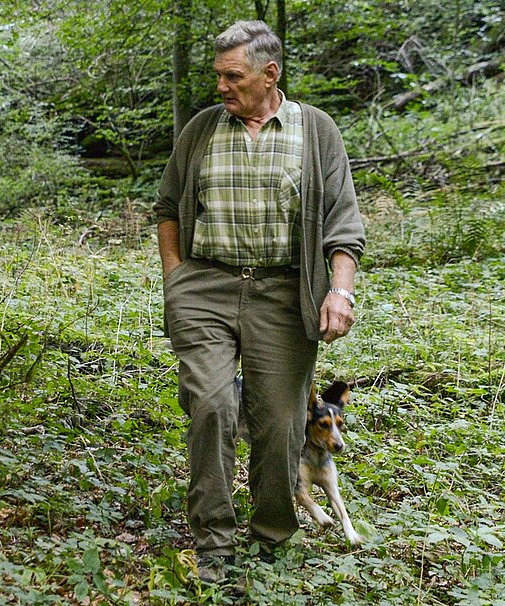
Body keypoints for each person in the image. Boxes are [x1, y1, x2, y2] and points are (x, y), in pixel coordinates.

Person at [154, 20, 365, 584]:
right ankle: (215, 544)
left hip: (283, 294)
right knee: (213, 407)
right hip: (206, 289)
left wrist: (339, 290)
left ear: (270, 74)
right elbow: (168, 208)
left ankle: (272, 535)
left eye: (233, 76)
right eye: (218, 75)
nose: (221, 86)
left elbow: (344, 226)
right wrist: (177, 281)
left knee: (281, 421)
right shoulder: (201, 130)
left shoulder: (316, 131)